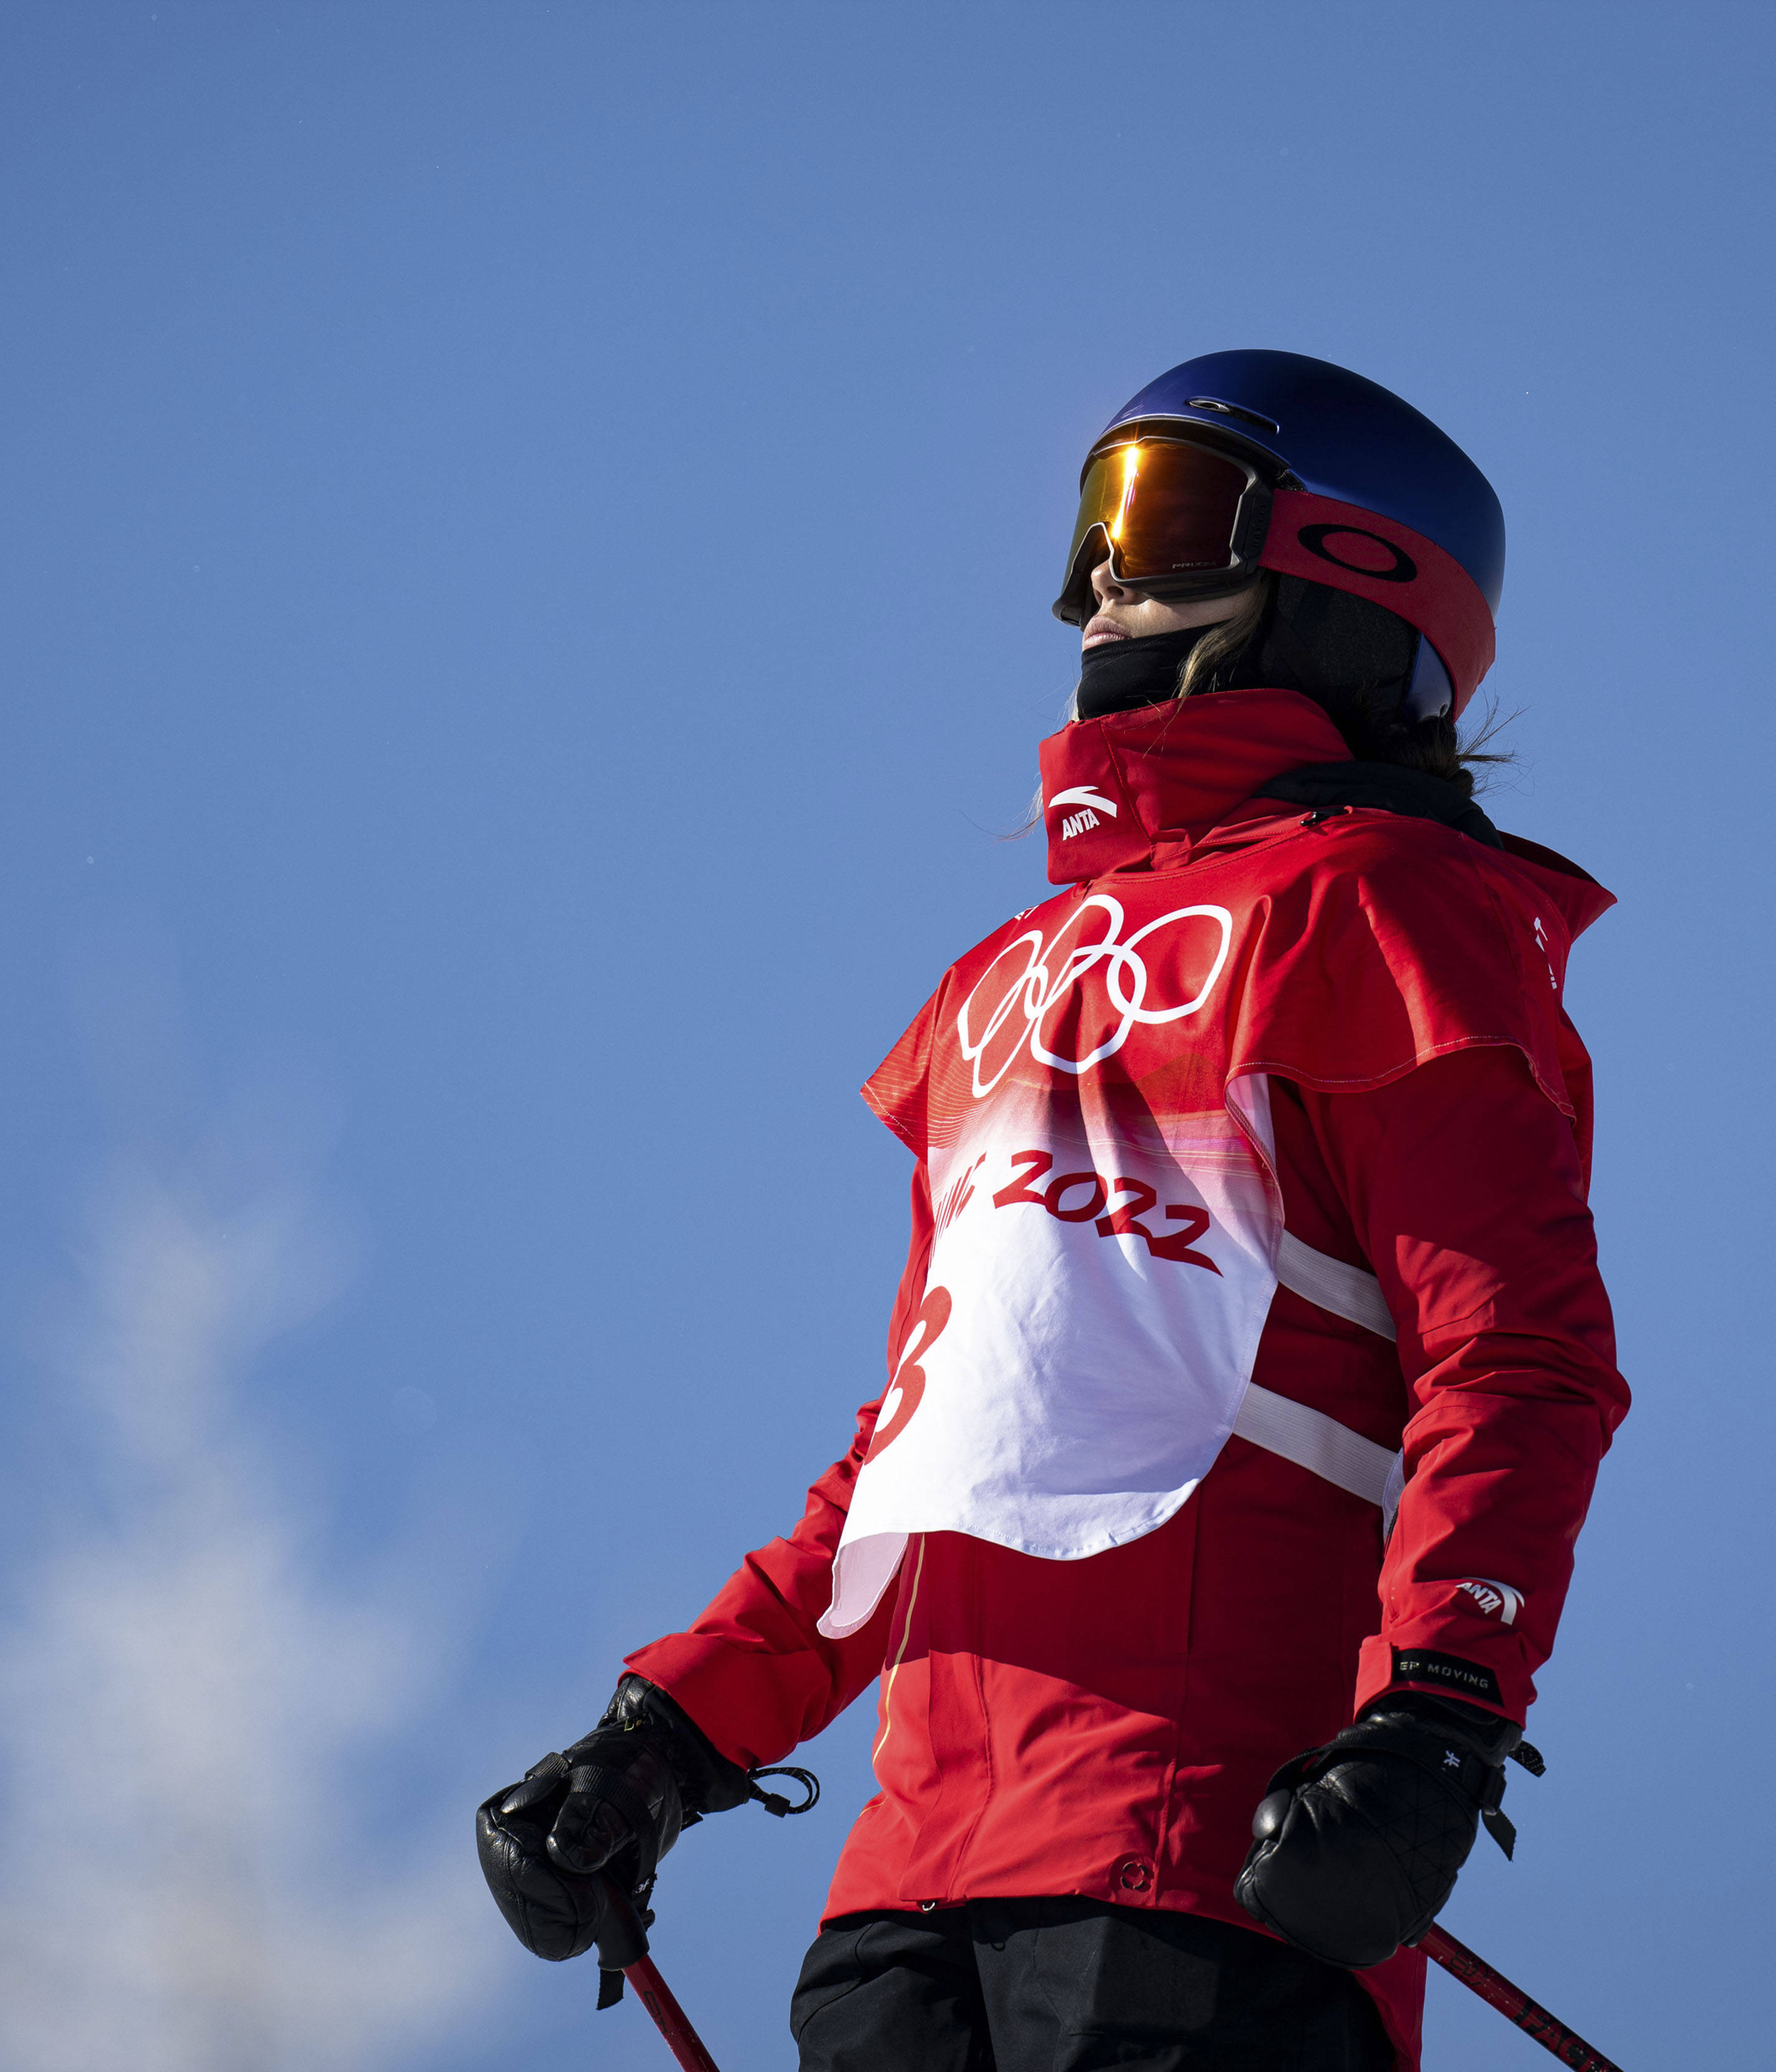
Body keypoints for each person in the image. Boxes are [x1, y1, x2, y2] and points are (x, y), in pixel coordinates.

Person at [477, 350, 1629, 2071]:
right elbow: (930, 1451)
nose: (1100, 576)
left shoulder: (1381, 907)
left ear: (1352, 575)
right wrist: (671, 1732)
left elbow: (1516, 1362)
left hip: (1209, 1867)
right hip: (905, 1904)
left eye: (1166, 514)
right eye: (1091, 522)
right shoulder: (1002, 979)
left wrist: (1440, 1713)